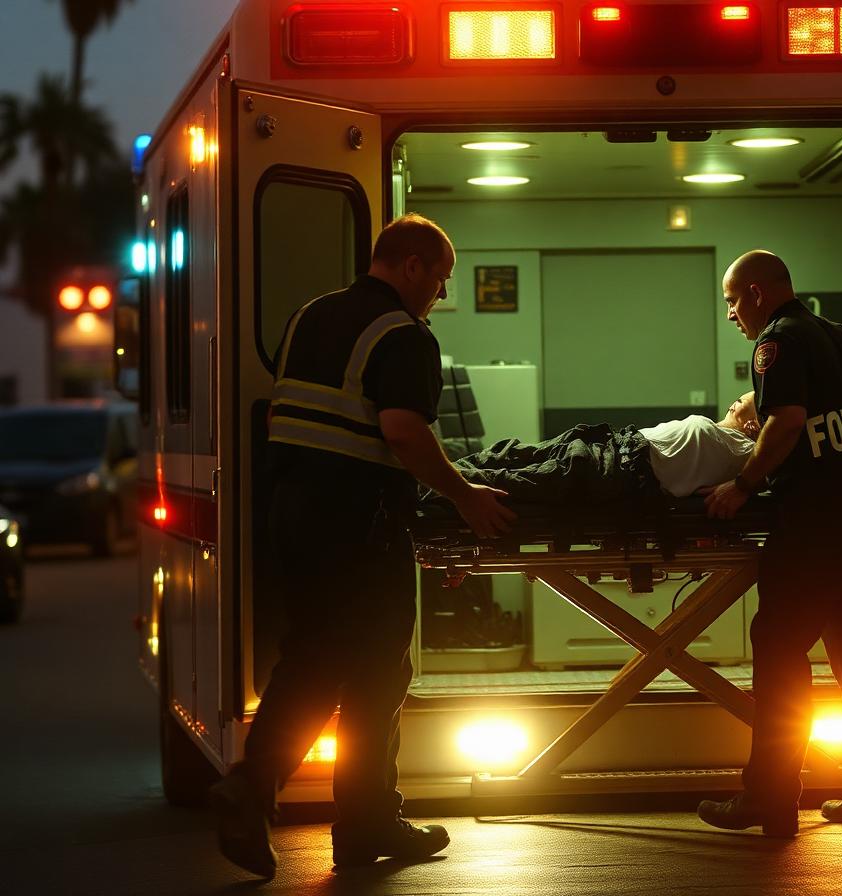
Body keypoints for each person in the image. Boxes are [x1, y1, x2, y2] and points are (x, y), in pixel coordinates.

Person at [209, 214, 515, 878]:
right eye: (439, 279)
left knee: (317, 659)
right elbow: (402, 432)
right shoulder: (402, 336)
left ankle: (358, 816)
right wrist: (464, 497)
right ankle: (287, 797)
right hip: (357, 527)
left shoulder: (309, 317)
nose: (439, 294)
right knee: (371, 675)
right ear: (411, 266)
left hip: (293, 516)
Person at [697, 250, 842, 838]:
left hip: (812, 518)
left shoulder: (777, 342)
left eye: (732, 302)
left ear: (758, 294)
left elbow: (786, 420)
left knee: (779, 647)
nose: (732, 316)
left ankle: (768, 797)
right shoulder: (836, 334)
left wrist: (742, 484)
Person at [447, 392, 761, 504]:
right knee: (512, 452)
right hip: (612, 445)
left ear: (754, 426)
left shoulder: (746, 452)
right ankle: (442, 473)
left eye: (745, 402)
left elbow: (769, 463)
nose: (737, 401)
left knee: (520, 477)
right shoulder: (726, 438)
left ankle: (439, 488)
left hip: (621, 473)